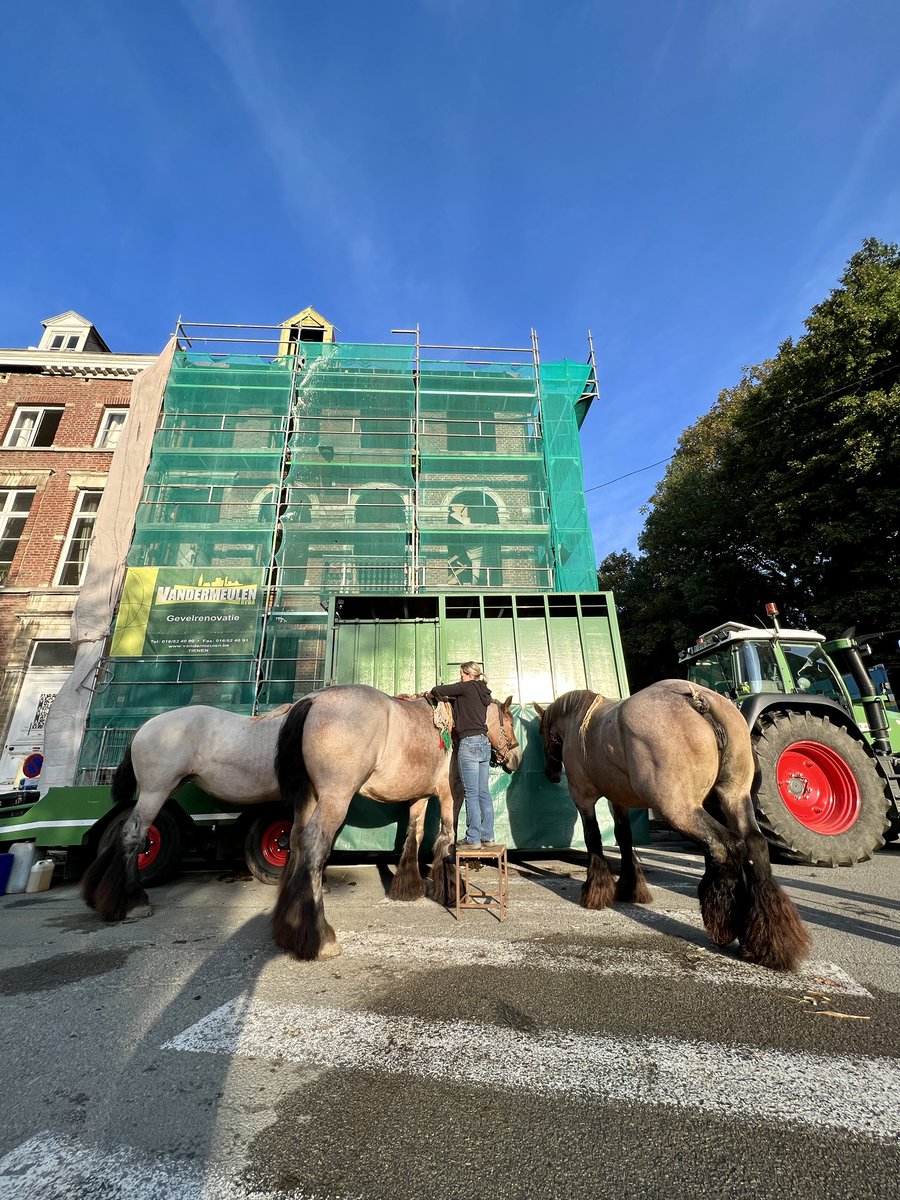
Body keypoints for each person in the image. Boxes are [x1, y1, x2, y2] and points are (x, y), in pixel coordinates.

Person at [427, 661, 494, 849]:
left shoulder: (465, 688)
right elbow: (465, 704)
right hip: (484, 742)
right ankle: (488, 836)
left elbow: (437, 689)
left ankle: (473, 838)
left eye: (462, 674)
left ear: (468, 674)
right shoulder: (483, 692)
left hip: (469, 743)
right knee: (483, 792)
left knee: (471, 794)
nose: (460, 678)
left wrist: (432, 694)